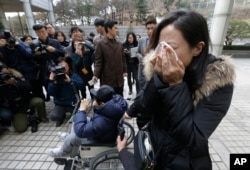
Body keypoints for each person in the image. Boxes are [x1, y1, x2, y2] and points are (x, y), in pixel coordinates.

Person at [119, 9, 235, 170]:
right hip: (153, 152)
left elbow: (192, 138)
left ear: (197, 48)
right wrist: (157, 78)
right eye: (160, 46)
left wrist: (176, 85)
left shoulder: (217, 81)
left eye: (170, 47)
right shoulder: (159, 67)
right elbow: (144, 109)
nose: (161, 54)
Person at [47, 85, 128, 158]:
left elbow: (81, 131)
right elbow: (100, 114)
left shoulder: (102, 122)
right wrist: (93, 106)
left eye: (95, 98)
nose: (94, 99)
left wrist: (82, 110)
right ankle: (68, 137)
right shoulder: (113, 104)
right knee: (78, 118)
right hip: (106, 131)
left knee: (73, 137)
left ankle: (63, 153)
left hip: (100, 138)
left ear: (102, 103)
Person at [0, 61, 48, 133]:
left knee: (39, 101)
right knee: (21, 129)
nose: (3, 72)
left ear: (7, 69)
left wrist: (15, 83)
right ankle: (30, 117)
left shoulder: (17, 76)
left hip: (27, 101)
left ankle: (42, 117)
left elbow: (29, 87)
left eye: (3, 69)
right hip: (17, 108)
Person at [92, 19, 127, 96]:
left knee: (119, 99)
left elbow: (123, 58)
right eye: (115, 28)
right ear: (109, 29)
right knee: (109, 101)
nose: (116, 30)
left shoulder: (119, 43)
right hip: (107, 79)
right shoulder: (100, 44)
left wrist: (125, 70)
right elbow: (98, 61)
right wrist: (95, 75)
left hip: (119, 80)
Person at [48, 57, 83, 127]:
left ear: (69, 65)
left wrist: (71, 81)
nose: (64, 68)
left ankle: (72, 114)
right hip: (61, 104)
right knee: (54, 116)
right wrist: (53, 82)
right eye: (61, 66)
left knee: (78, 118)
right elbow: (51, 93)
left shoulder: (73, 75)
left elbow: (81, 85)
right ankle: (61, 116)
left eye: (65, 65)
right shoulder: (56, 78)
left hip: (73, 103)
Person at [137, 18, 157, 92]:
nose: (150, 31)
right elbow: (137, 52)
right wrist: (141, 57)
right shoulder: (142, 41)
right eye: (148, 29)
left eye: (152, 28)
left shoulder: (160, 42)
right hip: (142, 74)